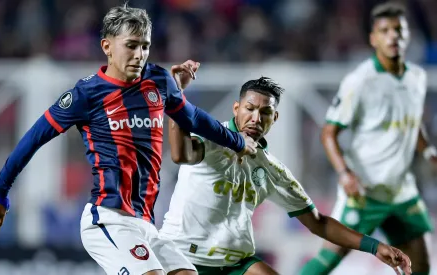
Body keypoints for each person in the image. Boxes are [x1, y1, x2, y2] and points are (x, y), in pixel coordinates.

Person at [0, 4, 257, 275]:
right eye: (132, 45)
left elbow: (193, 118)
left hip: (145, 223)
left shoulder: (159, 81)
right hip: (107, 219)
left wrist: (237, 141)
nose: (140, 54)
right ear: (107, 47)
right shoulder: (86, 94)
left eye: (145, 46)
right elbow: (34, 137)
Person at [159, 74, 412, 275]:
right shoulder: (213, 139)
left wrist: (375, 246)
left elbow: (318, 222)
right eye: (249, 108)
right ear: (236, 108)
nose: (256, 118)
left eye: (265, 112)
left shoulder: (273, 170)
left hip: (235, 263)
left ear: (274, 117)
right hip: (182, 256)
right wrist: (176, 100)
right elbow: (181, 154)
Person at [300, 2, 433, 275]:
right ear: (373, 38)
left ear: (408, 36)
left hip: (401, 191)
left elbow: (412, 122)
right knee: (329, 259)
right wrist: (344, 173)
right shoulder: (360, 80)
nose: (393, 36)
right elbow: (329, 132)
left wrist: (429, 151)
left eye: (399, 30)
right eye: (385, 30)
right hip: (365, 190)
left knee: (420, 264)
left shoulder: (417, 78)